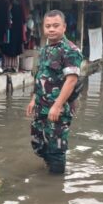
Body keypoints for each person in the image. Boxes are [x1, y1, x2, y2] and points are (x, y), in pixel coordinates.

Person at [26, 10, 83, 174]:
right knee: (38, 144)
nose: (51, 29)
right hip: (41, 106)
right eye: (48, 26)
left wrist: (57, 106)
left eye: (56, 26)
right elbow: (41, 76)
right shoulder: (45, 50)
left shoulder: (70, 50)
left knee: (56, 150)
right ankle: (48, 166)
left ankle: (56, 189)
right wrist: (33, 99)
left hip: (59, 109)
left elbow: (71, 80)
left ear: (64, 27)